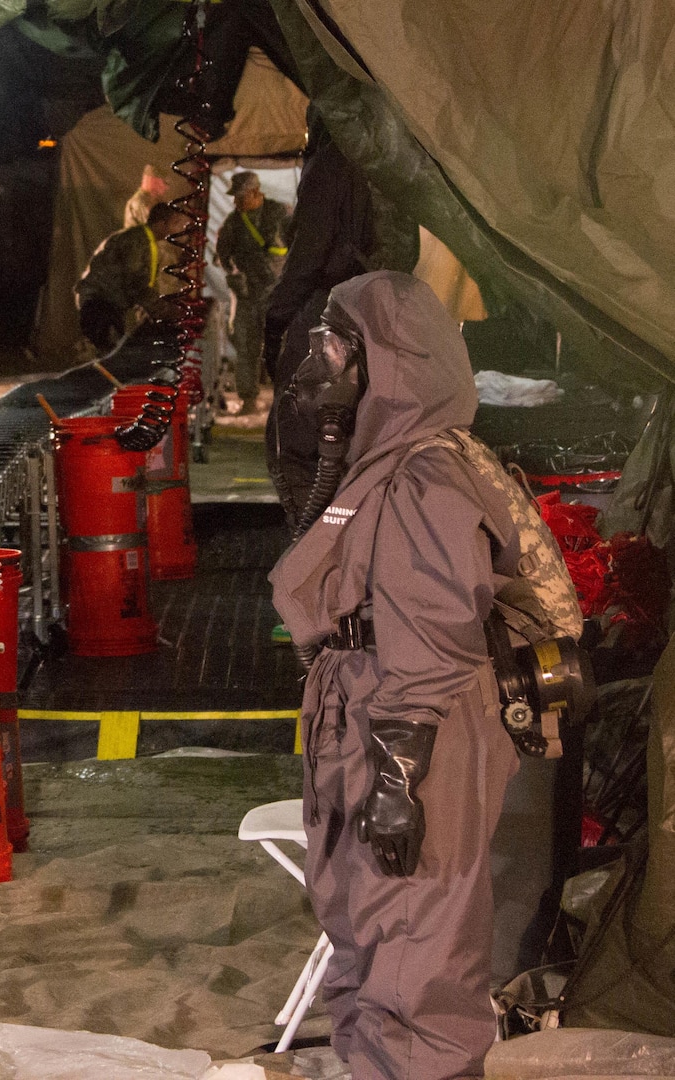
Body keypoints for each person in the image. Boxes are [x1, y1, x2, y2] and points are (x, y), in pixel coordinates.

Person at [269, 271, 522, 1080]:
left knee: (414, 954)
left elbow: (434, 640)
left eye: (334, 349)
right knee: (367, 940)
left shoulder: (423, 478)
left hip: (409, 733)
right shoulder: (384, 464)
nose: (314, 372)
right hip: (368, 719)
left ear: (389, 363)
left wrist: (398, 778)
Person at [263, 109, 418, 526]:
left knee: (297, 451)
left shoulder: (332, 165)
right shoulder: (393, 161)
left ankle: (316, 560)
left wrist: (274, 324)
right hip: (390, 316)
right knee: (371, 454)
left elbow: (307, 259)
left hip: (332, 317)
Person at [214, 171, 291, 410]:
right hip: (247, 294)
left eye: (240, 196)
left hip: (277, 292)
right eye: (234, 197)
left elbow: (299, 245)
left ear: (256, 192)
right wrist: (235, 273)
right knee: (245, 344)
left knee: (282, 345)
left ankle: (286, 397)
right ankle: (248, 397)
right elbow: (222, 254)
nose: (236, 202)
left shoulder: (280, 214)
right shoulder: (232, 224)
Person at [76, 193, 187, 355]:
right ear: (162, 224)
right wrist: (168, 311)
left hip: (108, 303)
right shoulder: (137, 241)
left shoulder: (147, 242)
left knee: (113, 355)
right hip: (98, 303)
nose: (180, 229)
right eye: (176, 223)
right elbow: (137, 284)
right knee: (105, 358)